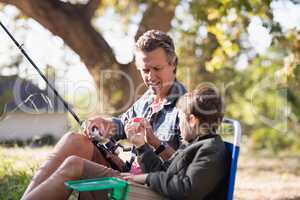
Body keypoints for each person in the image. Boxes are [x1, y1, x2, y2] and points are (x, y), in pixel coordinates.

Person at [21, 30, 186, 199]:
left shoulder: (187, 108)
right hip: (127, 174)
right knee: (75, 140)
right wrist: (103, 123)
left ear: (173, 63)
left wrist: (154, 143)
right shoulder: (147, 100)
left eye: (157, 68)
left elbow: (184, 170)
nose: (150, 76)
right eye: (145, 70)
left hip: (152, 188)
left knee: (74, 165)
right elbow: (121, 125)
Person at [21, 86, 229, 200]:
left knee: (76, 165)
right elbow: (164, 170)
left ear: (192, 119)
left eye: (181, 119)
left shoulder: (210, 149)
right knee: (77, 167)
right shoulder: (195, 144)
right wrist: (142, 146)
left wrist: (145, 178)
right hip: (150, 190)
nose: (180, 125)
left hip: (151, 194)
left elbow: (187, 190)